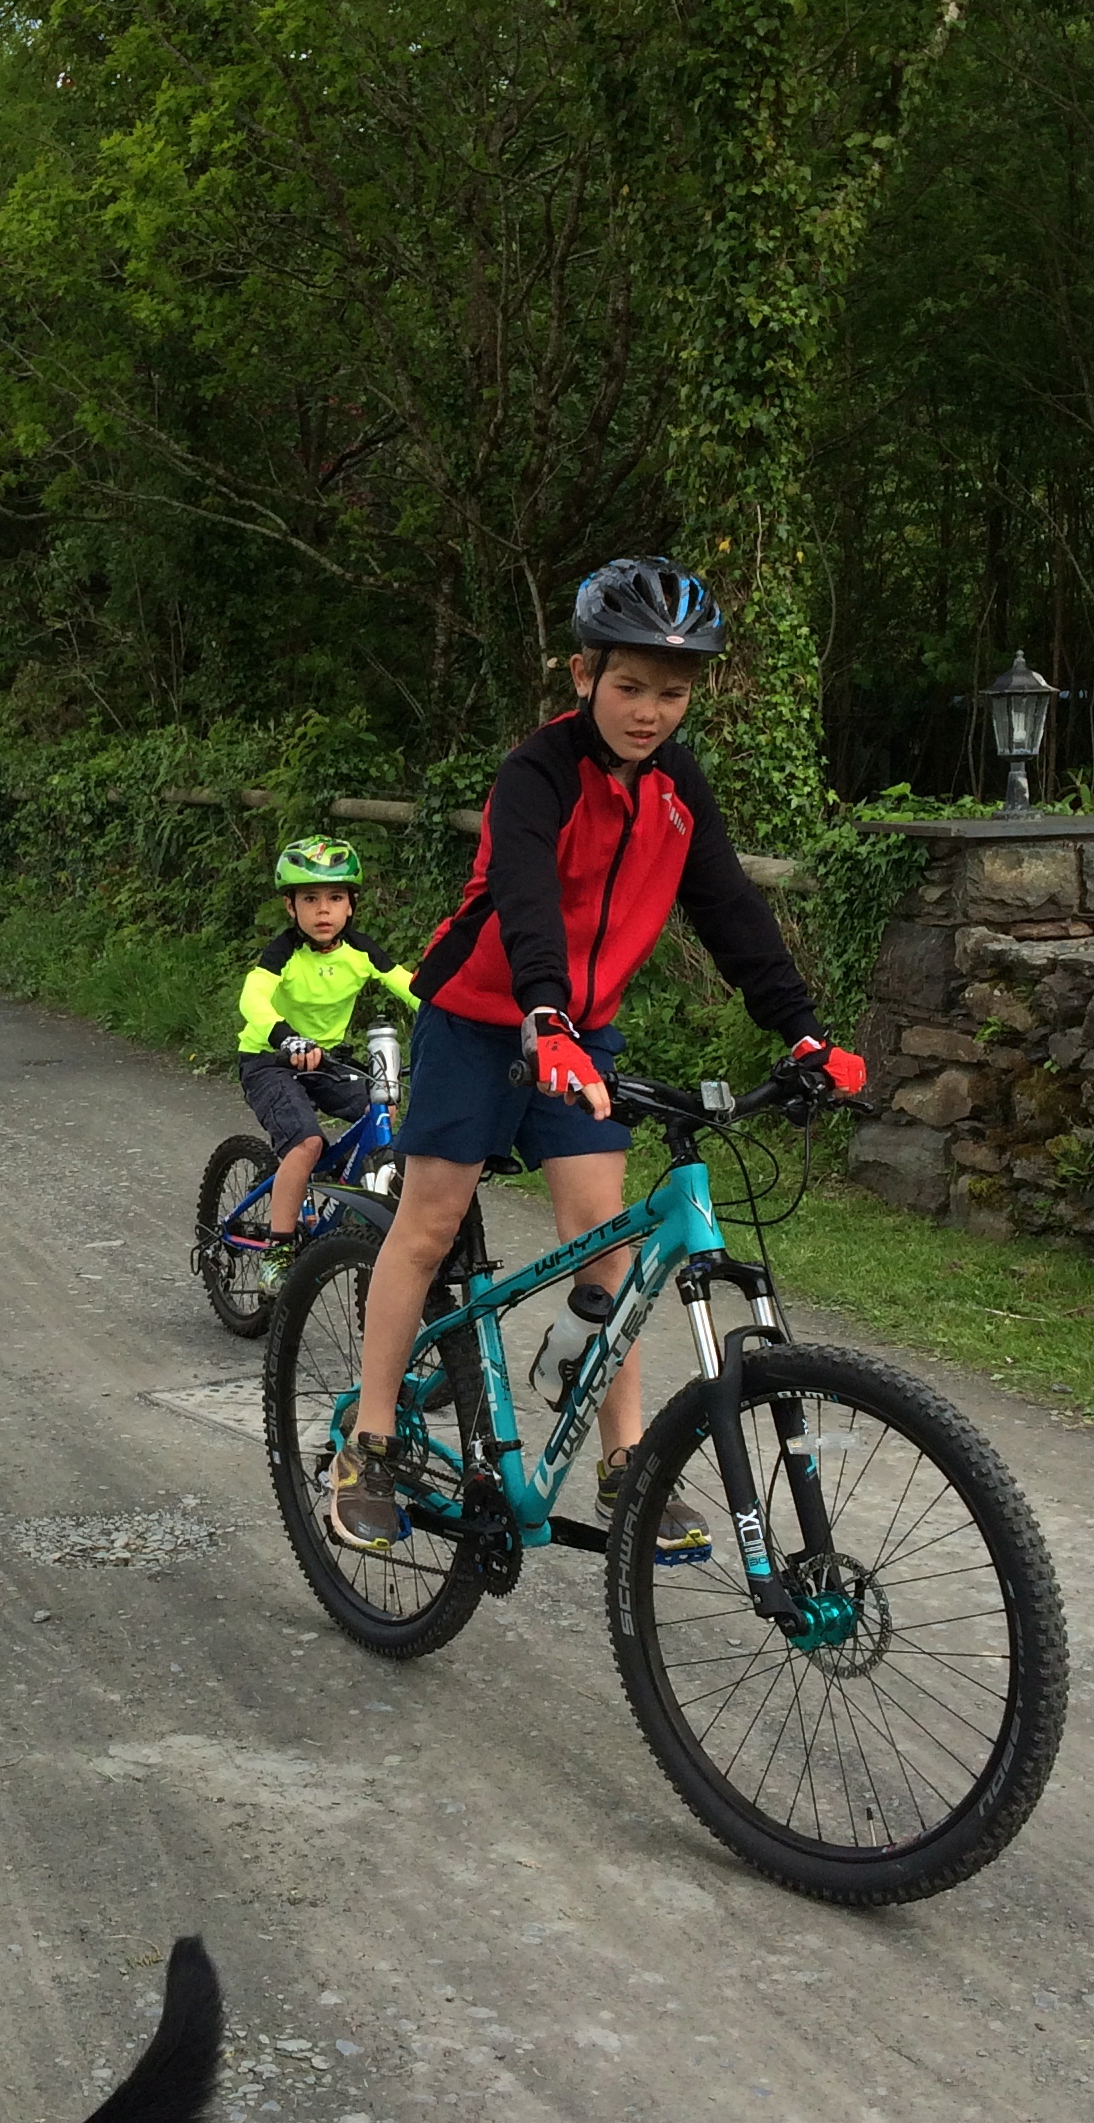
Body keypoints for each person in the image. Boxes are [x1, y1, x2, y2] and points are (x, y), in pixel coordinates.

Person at [325, 554, 866, 1561]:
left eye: (672, 693)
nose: (649, 711)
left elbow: (729, 909)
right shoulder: (537, 772)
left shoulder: (675, 786)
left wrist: (801, 1027)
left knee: (610, 1242)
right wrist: (541, 1014)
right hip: (488, 1015)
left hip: (581, 1031)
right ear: (584, 678)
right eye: (629, 686)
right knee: (430, 1221)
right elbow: (527, 898)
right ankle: (371, 1441)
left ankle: (628, 1466)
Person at [236, 836, 419, 1280]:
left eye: (335, 898)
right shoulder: (283, 953)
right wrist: (285, 1037)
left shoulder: (360, 950)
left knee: (383, 1109)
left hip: (328, 1061)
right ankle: (278, 1252)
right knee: (306, 1142)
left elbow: (412, 988)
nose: (323, 910)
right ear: (290, 906)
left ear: (351, 906)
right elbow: (253, 999)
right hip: (270, 1059)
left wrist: (462, 1025)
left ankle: (348, 1204)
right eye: (310, 898)